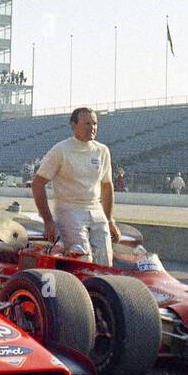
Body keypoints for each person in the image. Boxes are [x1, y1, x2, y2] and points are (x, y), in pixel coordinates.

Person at [32, 107, 117, 266]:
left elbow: (107, 185)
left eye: (95, 123)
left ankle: (98, 291)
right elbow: (38, 183)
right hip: (69, 210)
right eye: (86, 123)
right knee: (83, 259)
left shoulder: (102, 151)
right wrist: (48, 221)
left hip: (96, 210)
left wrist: (110, 219)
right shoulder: (61, 150)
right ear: (73, 125)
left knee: (105, 262)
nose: (92, 127)